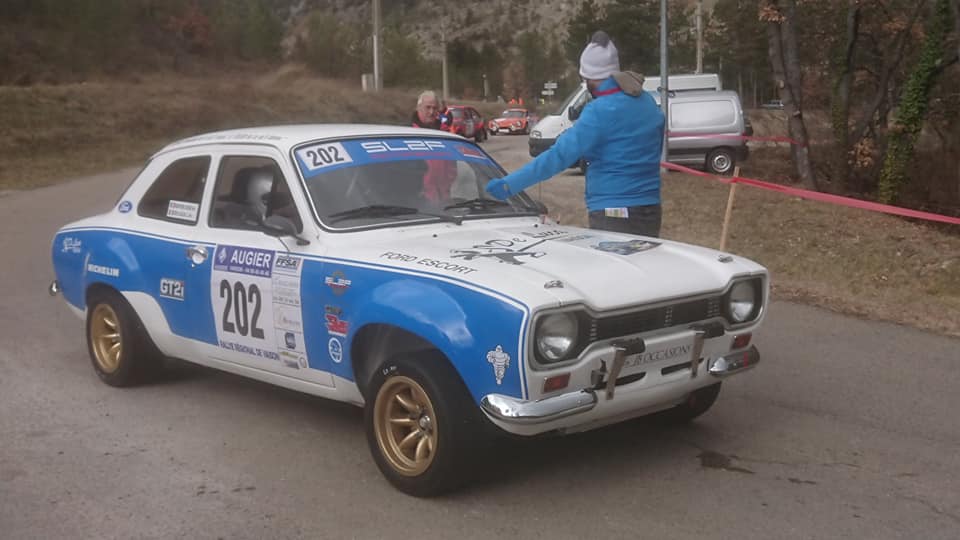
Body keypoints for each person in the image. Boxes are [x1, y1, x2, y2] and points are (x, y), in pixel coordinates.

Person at [485, 31, 666, 237]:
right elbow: (654, 142)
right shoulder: (646, 101)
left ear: (588, 78)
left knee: (612, 260)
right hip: (651, 207)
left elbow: (558, 156)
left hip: (613, 210)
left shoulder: (599, 110)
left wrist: (509, 185)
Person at [410, 90, 456, 203]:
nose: (431, 112)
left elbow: (452, 168)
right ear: (418, 108)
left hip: (442, 200)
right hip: (417, 201)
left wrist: (446, 190)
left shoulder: (444, 135)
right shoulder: (406, 134)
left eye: (435, 108)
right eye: (428, 107)